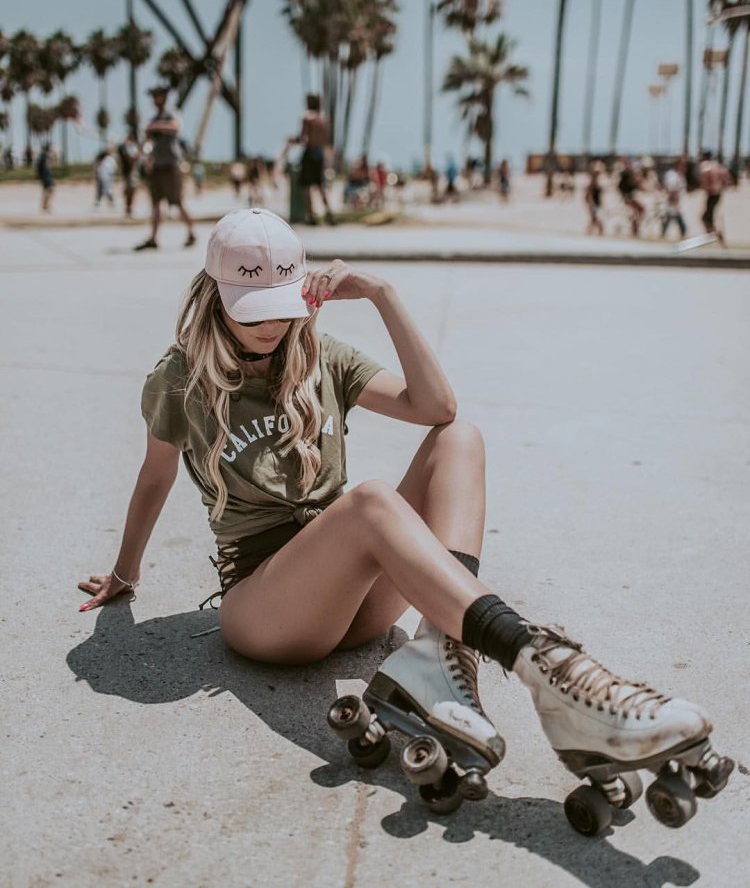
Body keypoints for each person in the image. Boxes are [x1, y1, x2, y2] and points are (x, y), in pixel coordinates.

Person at [78, 207, 731, 823]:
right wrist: (124, 575)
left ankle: (443, 659)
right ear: (215, 294)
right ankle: (550, 674)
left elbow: (436, 407)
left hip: (358, 600)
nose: (270, 327)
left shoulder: (320, 355)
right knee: (368, 502)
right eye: (253, 312)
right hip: (269, 612)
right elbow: (153, 477)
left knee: (460, 438)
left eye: (280, 307)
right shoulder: (180, 377)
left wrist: (382, 293)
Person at [135, 86, 196, 251]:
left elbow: (176, 127)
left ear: (165, 97)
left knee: (177, 202)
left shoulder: (171, 113)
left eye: (158, 96)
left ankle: (191, 233)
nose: (155, 100)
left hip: (171, 166)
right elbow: (147, 141)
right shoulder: (154, 118)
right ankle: (153, 238)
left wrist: (155, 126)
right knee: (155, 204)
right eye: (153, 96)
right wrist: (144, 156)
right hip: (157, 166)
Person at [290, 93, 334, 225]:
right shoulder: (323, 119)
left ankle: (311, 215)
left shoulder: (307, 117)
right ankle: (329, 213)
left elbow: (304, 138)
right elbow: (326, 140)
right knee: (320, 186)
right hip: (320, 153)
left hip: (309, 153)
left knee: (306, 186)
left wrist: (292, 140)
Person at [699, 150, 732, 247]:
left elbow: (703, 180)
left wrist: (706, 186)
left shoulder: (705, 166)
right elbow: (728, 179)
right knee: (708, 217)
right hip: (718, 194)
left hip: (711, 193)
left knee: (706, 218)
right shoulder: (718, 165)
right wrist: (721, 187)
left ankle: (715, 237)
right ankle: (714, 236)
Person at [661, 157, 687, 240]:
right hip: (672, 201)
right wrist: (674, 199)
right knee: (675, 220)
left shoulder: (680, 175)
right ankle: (664, 235)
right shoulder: (672, 175)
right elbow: (671, 189)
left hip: (677, 201)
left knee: (669, 219)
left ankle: (663, 235)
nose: (684, 167)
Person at [617, 158, 645, 236]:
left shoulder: (627, 173)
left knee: (636, 213)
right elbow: (628, 185)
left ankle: (635, 228)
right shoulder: (626, 174)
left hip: (629, 196)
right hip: (628, 197)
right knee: (638, 211)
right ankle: (634, 228)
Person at [118, 133, 141, 218]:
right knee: (130, 190)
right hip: (130, 172)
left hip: (132, 172)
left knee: (131, 190)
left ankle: (129, 208)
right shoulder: (125, 147)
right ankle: (128, 209)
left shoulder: (133, 147)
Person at [584, 161, 604, 236]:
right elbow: (589, 193)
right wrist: (591, 203)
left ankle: (589, 232)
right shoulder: (593, 181)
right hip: (593, 203)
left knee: (593, 219)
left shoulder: (596, 181)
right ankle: (599, 232)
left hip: (596, 203)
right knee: (595, 219)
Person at [36, 142, 54, 212]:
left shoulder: (44, 155)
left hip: (45, 176)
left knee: (46, 190)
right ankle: (45, 205)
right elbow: (46, 166)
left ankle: (45, 205)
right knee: (50, 189)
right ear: (48, 148)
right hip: (46, 176)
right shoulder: (45, 156)